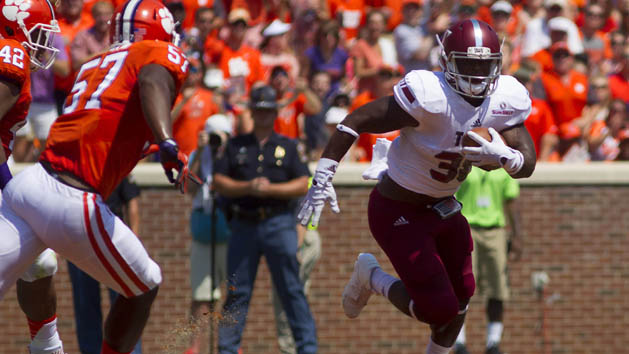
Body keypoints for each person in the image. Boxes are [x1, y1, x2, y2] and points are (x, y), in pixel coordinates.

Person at [298, 19, 536, 354]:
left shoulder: (504, 98)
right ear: (447, 61)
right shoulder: (429, 95)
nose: (476, 75)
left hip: (444, 207)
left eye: (484, 65)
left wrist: (506, 157)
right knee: (437, 309)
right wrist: (323, 173)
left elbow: (527, 162)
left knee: (463, 297)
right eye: (467, 64)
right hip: (398, 208)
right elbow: (357, 120)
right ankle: (371, 276)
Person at [0, 2, 191, 354]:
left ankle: (47, 348)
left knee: (39, 266)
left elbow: (101, 122)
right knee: (146, 283)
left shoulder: (93, 64)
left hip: (30, 184)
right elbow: (151, 79)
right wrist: (165, 138)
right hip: (71, 200)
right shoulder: (156, 54)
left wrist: (139, 145)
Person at [214, 85, 317, 354]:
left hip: (279, 222)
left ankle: (307, 348)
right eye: (258, 111)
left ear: (275, 113)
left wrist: (270, 190)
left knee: (291, 290)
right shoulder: (236, 145)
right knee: (236, 292)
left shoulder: (288, 145)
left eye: (268, 111)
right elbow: (219, 181)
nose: (263, 116)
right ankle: (227, 349)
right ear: (251, 112)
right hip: (243, 224)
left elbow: (304, 183)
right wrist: (248, 187)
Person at [0, 0, 64, 353]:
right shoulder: (9, 53)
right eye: (38, 32)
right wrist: (10, 190)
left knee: (39, 258)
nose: (43, 42)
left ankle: (47, 345)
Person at [67, 177, 143, 354]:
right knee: (86, 307)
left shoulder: (114, 158)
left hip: (113, 241)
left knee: (124, 306)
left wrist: (134, 246)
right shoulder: (72, 164)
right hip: (81, 241)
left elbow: (132, 203)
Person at [453, 167, 523, 354]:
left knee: (498, 287)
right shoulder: (465, 161)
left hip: (495, 230)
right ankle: (459, 341)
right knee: (462, 287)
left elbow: (511, 200)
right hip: (466, 228)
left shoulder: (502, 164)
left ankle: (493, 342)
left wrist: (517, 236)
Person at [184, 114, 233, 354]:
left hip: (229, 229)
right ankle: (195, 347)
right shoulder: (197, 157)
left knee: (233, 294)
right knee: (201, 294)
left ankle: (231, 344)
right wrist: (201, 151)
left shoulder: (234, 155)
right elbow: (189, 189)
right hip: (204, 227)